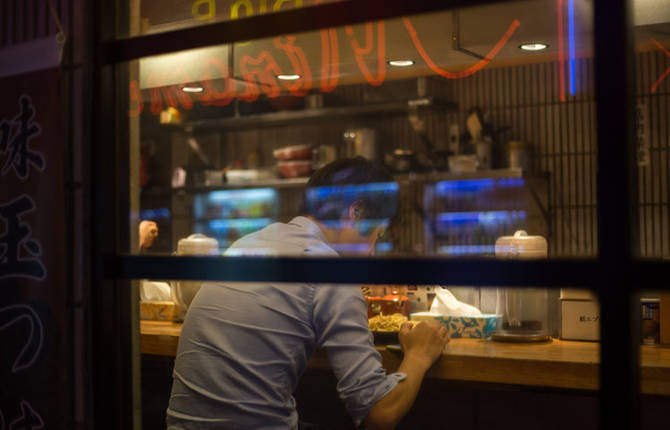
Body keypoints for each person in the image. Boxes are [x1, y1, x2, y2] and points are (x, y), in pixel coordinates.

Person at [166, 158, 449, 430]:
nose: (373, 250)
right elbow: (380, 414)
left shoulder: (246, 244)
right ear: (356, 213)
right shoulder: (329, 271)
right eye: (378, 233)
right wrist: (419, 355)